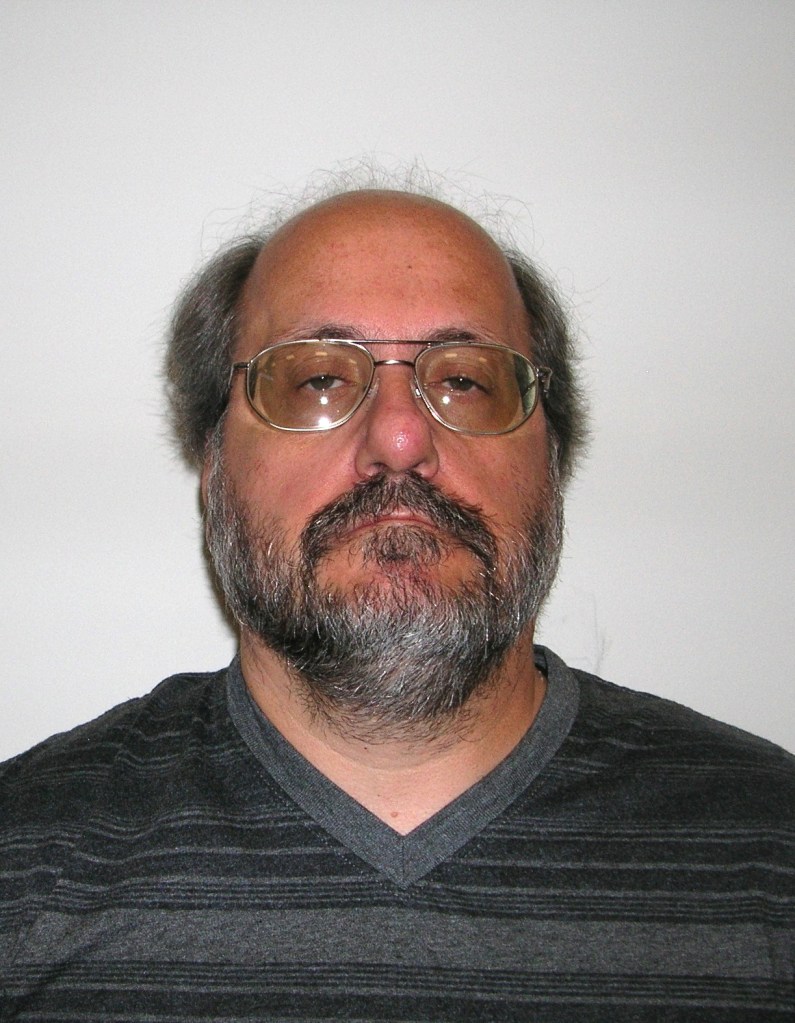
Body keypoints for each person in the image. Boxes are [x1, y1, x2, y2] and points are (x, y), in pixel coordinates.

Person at [1, 177, 792, 1022]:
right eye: (314, 379)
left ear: (550, 462)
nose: (402, 436)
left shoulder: (770, 855)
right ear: (213, 465)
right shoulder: (24, 868)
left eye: (467, 382)